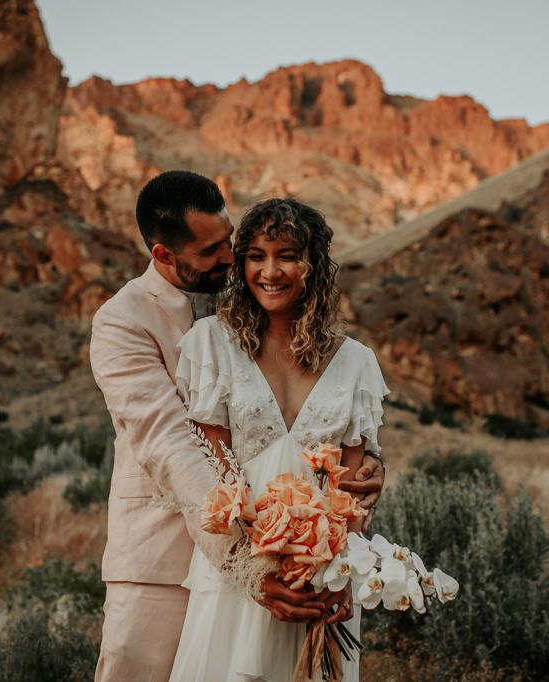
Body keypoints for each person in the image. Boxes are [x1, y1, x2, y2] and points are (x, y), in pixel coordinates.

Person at [89, 172, 385, 682]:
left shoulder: (240, 296)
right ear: (164, 255)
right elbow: (169, 444)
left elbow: (334, 429)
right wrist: (252, 561)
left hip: (294, 563)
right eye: (212, 250)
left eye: (230, 242)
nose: (229, 258)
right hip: (162, 563)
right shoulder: (123, 321)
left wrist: (368, 470)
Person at [169, 197, 389, 682]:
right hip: (239, 575)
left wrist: (340, 574)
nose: (271, 271)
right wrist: (258, 569)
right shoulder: (212, 344)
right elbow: (215, 474)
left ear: (313, 265)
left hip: (320, 582)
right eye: (256, 255)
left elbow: (351, 493)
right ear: (241, 261)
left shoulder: (357, 363)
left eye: (287, 255)